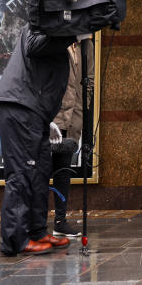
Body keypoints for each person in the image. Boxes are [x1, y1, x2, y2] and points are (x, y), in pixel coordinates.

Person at [0, 25, 76, 256]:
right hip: (21, 107)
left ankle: (37, 231)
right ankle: (15, 241)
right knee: (21, 174)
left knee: (40, 172)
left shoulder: (52, 31)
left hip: (34, 111)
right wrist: (68, 31)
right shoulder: (42, 25)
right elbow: (34, 45)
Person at [49, 39, 88, 237]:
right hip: (53, 118)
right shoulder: (56, 42)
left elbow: (87, 83)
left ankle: (60, 221)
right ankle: (34, 221)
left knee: (63, 170)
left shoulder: (85, 47)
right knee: (42, 169)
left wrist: (82, 116)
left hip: (73, 118)